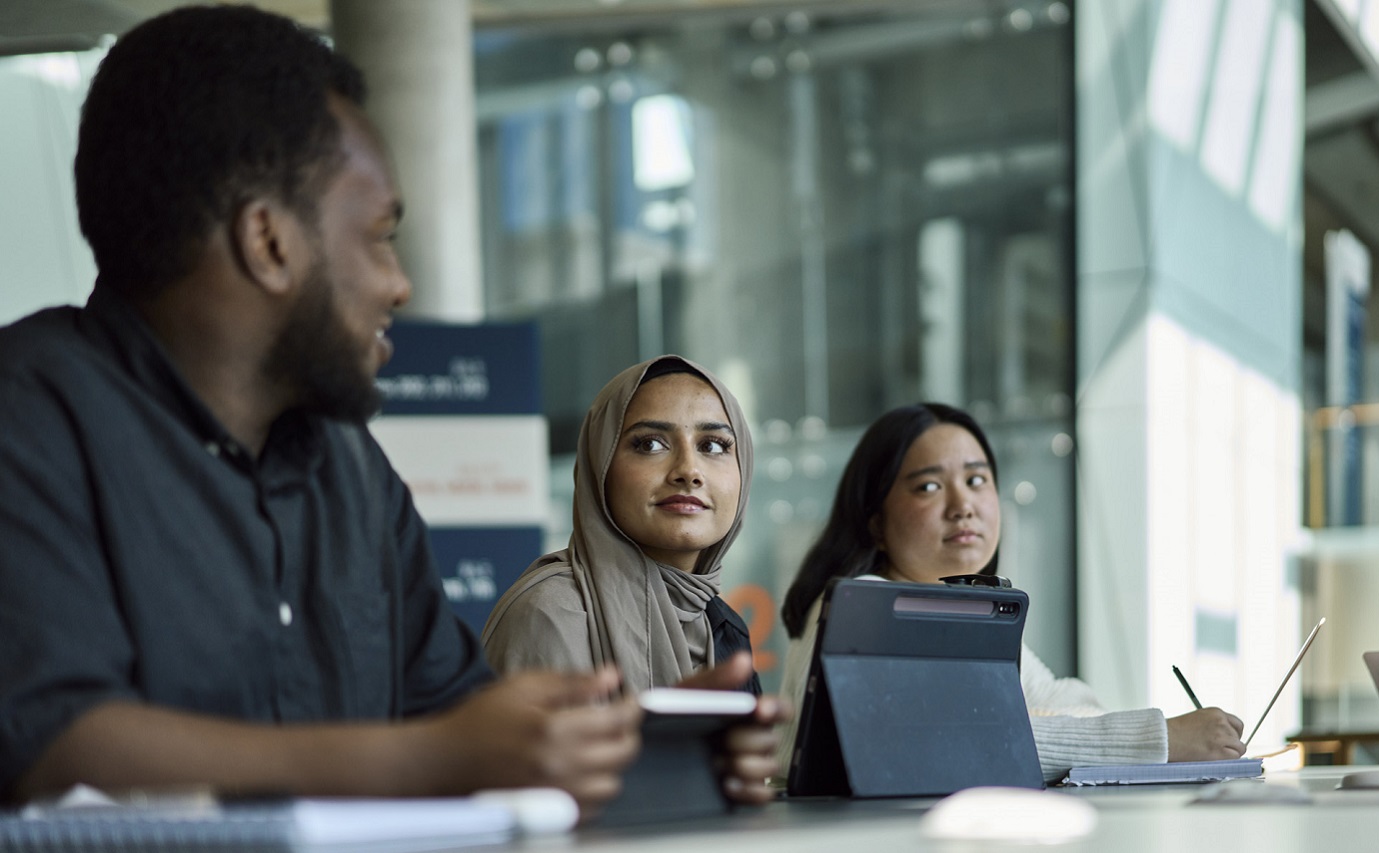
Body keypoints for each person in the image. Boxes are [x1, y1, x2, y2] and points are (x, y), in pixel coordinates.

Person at [0, 5, 763, 812]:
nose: (398, 284)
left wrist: (644, 748)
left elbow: (459, 717)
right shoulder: (32, 418)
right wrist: (424, 757)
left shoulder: (349, 469)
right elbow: (51, 744)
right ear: (268, 242)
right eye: (376, 237)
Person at [776, 403, 1246, 783]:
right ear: (875, 521)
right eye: (930, 486)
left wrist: (1018, 720)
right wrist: (1161, 738)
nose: (963, 506)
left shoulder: (944, 611)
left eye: (977, 480)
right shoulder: (866, 606)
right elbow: (950, 745)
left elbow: (1073, 700)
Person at [483, 357, 782, 712]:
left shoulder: (722, 626)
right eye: (650, 444)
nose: (688, 470)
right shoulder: (551, 613)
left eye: (713, 445)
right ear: (601, 467)